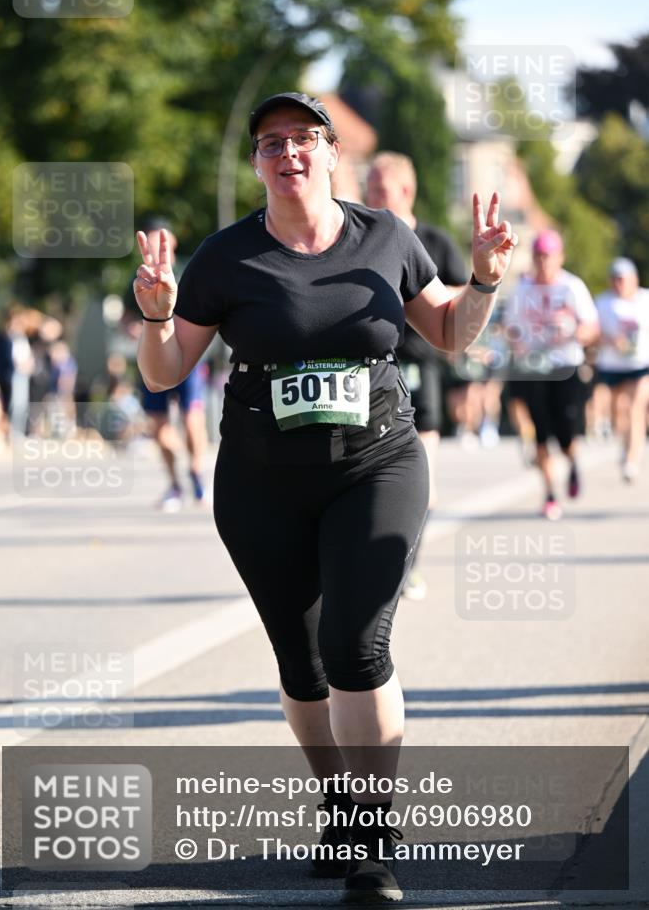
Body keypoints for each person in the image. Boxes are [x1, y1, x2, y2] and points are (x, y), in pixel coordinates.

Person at [134, 91, 518, 903]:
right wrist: (157, 317)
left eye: (304, 138)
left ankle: (372, 839)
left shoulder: (387, 237)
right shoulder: (225, 257)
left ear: (330, 153)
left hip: (374, 463)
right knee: (302, 667)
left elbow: (449, 333)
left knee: (354, 647)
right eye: (271, 142)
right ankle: (339, 800)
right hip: (260, 480)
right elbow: (166, 371)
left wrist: (481, 279)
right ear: (256, 163)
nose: (288, 153)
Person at [366, 152, 468, 600]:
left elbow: (465, 296)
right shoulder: (361, 238)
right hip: (370, 370)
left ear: (406, 192)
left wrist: (423, 299)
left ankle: (410, 566)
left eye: (380, 190)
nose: (371, 198)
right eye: (368, 189)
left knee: (419, 473)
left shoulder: (433, 240)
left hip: (419, 367)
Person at [504, 230, 599, 520]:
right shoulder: (522, 289)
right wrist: (517, 341)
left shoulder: (572, 287)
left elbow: (592, 327)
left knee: (567, 433)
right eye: (539, 256)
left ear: (560, 257)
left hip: (565, 366)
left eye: (549, 256)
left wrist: (574, 333)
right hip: (534, 368)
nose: (544, 262)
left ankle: (572, 463)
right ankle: (549, 494)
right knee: (541, 435)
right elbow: (510, 328)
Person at [128, 219, 208, 511]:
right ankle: (175, 483)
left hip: (188, 357)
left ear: (172, 243)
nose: (157, 246)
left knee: (191, 420)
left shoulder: (190, 271)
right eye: (150, 241)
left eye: (162, 241)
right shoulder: (140, 277)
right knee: (159, 428)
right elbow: (126, 316)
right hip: (153, 358)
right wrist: (135, 327)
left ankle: (197, 476)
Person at [595, 257, 649, 482]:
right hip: (612, 365)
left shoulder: (645, 299)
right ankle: (625, 443)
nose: (620, 284)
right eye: (616, 280)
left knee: (636, 408)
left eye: (623, 279)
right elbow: (592, 330)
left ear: (633, 279)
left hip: (641, 365)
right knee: (620, 412)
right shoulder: (602, 302)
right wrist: (609, 340)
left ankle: (631, 460)